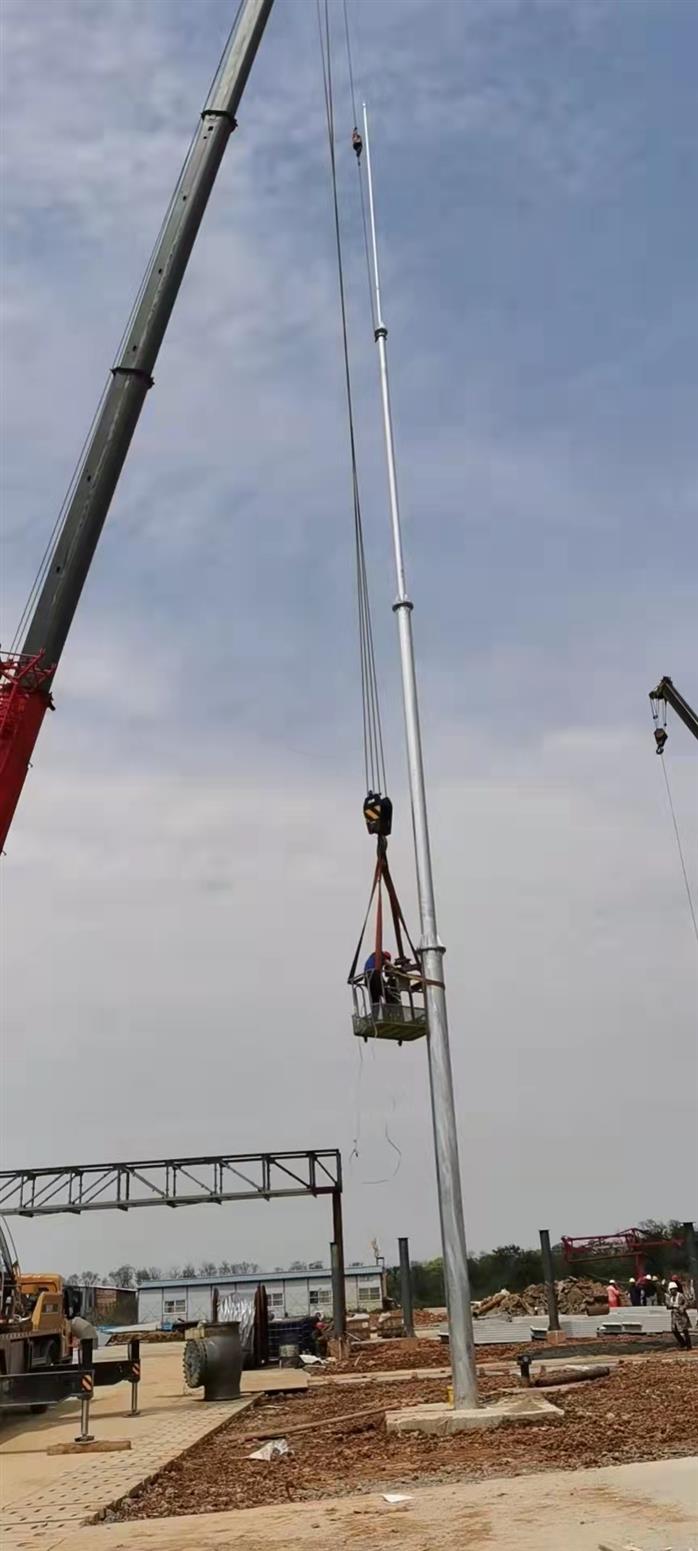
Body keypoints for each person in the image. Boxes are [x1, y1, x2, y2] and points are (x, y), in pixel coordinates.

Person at [666, 1279, 692, 1351]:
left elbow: (687, 1303)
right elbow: (667, 1306)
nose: (672, 1291)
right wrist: (671, 1306)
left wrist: (682, 1308)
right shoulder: (670, 1297)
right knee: (674, 1330)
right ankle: (682, 1343)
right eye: (671, 1290)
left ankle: (688, 1346)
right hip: (674, 1314)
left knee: (685, 1330)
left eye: (674, 1289)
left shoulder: (680, 1296)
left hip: (681, 1315)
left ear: (676, 1289)